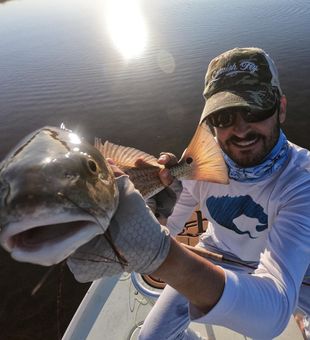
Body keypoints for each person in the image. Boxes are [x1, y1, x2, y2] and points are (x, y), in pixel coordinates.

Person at [67, 47, 310, 339]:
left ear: (280, 107)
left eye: (255, 109)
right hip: (217, 254)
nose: (241, 129)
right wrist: (144, 217)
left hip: (298, 272)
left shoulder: (302, 180)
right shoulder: (198, 162)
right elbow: (170, 224)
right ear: (209, 122)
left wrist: (163, 256)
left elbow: (274, 313)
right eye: (223, 116)